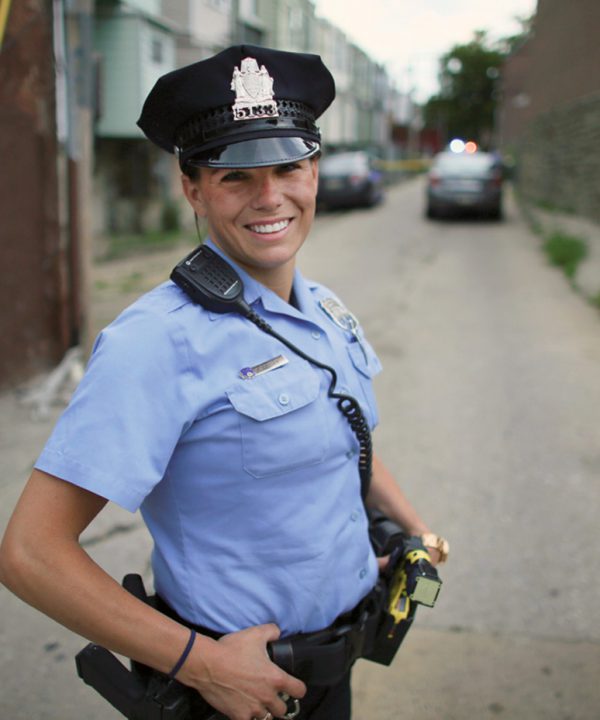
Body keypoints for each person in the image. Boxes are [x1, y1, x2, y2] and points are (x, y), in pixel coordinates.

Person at [0, 45, 448, 720]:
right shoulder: (155, 341)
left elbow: (342, 439)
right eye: (236, 177)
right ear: (193, 188)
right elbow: (31, 553)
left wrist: (414, 533)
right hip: (236, 693)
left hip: (339, 663)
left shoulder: (323, 306)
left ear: (315, 171)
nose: (271, 198)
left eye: (289, 167)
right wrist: (200, 664)